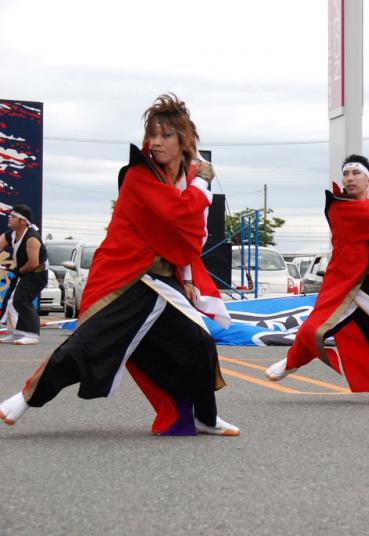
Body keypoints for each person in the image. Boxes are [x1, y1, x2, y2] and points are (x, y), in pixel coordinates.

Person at [0, 94, 238, 436]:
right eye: (153, 134)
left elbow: (189, 236)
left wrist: (185, 275)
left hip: (163, 284)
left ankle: (205, 416)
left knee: (199, 343)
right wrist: (202, 182)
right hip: (130, 278)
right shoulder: (139, 176)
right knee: (88, 344)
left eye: (166, 135)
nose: (156, 142)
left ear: (183, 140)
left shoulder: (181, 177)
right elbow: (180, 214)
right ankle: (25, 398)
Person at [265, 154, 369, 405]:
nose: (349, 178)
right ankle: (290, 363)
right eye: (346, 174)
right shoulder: (340, 208)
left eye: (356, 173)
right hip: (344, 281)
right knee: (316, 327)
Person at [0, 205, 48, 345]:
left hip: (37, 275)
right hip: (24, 273)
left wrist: (18, 271)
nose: (9, 217)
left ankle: (32, 334)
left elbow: (33, 263)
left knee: (22, 300)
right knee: (10, 301)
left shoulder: (31, 238)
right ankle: (16, 333)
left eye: (13, 216)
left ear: (23, 221)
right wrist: (19, 271)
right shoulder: (11, 234)